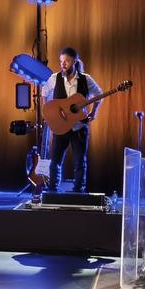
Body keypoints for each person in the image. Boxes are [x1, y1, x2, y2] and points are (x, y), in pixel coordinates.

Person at [40, 47, 102, 193]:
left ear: (74, 61)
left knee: (79, 162)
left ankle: (78, 191)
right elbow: (44, 92)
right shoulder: (54, 78)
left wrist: (93, 112)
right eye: (61, 61)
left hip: (78, 127)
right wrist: (47, 112)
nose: (63, 64)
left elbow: (98, 95)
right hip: (60, 127)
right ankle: (52, 190)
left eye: (66, 61)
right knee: (55, 162)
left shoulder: (86, 79)